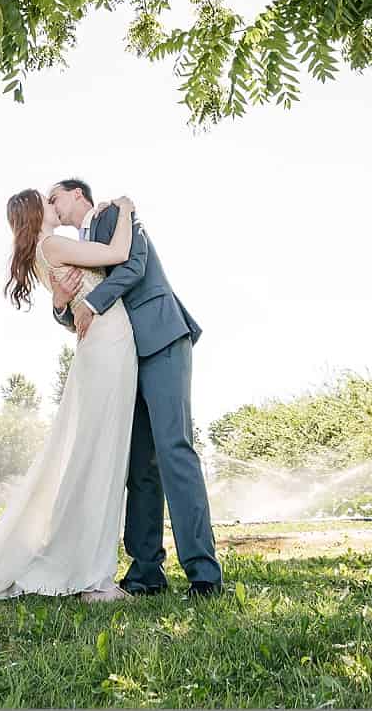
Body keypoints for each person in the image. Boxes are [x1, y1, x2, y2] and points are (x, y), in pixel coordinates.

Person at [0, 190, 140, 602]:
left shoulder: (41, 254)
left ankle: (90, 568)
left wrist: (65, 302)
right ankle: (90, 576)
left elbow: (73, 293)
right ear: (37, 212)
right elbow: (118, 251)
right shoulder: (53, 244)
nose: (54, 206)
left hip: (101, 345)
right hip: (108, 342)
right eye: (47, 200)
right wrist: (127, 209)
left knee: (94, 456)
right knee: (99, 458)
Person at [46, 178, 224, 599]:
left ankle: (204, 574)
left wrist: (92, 303)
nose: (51, 205)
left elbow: (134, 266)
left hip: (161, 337)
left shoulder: (113, 214)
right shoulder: (78, 246)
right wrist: (61, 306)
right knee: (139, 465)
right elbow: (78, 309)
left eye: (55, 197)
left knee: (174, 450)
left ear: (77, 195)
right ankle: (146, 573)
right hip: (122, 358)